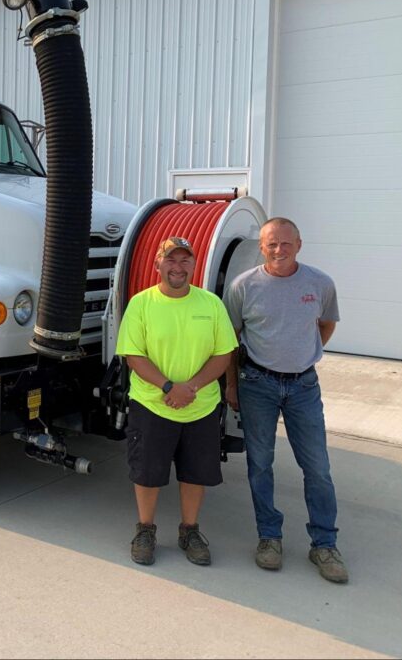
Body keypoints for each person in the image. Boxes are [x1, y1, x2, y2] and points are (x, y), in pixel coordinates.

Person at [223, 217, 347, 584]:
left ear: (299, 244)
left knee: (318, 467)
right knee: (260, 464)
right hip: (257, 385)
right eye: (272, 244)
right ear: (261, 247)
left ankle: (324, 544)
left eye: (286, 243)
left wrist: (303, 355)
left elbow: (326, 325)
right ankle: (269, 538)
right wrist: (232, 386)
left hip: (304, 387)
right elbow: (230, 339)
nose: (279, 249)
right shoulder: (243, 287)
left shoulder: (320, 283)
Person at [116, 236, 237, 566]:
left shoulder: (211, 304)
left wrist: (191, 388)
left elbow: (223, 354)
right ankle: (145, 530)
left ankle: (189, 531)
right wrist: (169, 387)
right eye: (171, 259)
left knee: (194, 473)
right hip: (152, 404)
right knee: (147, 472)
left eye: (185, 260)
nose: (178, 267)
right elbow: (133, 355)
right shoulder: (141, 304)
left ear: (194, 265)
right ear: (158, 264)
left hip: (201, 406)